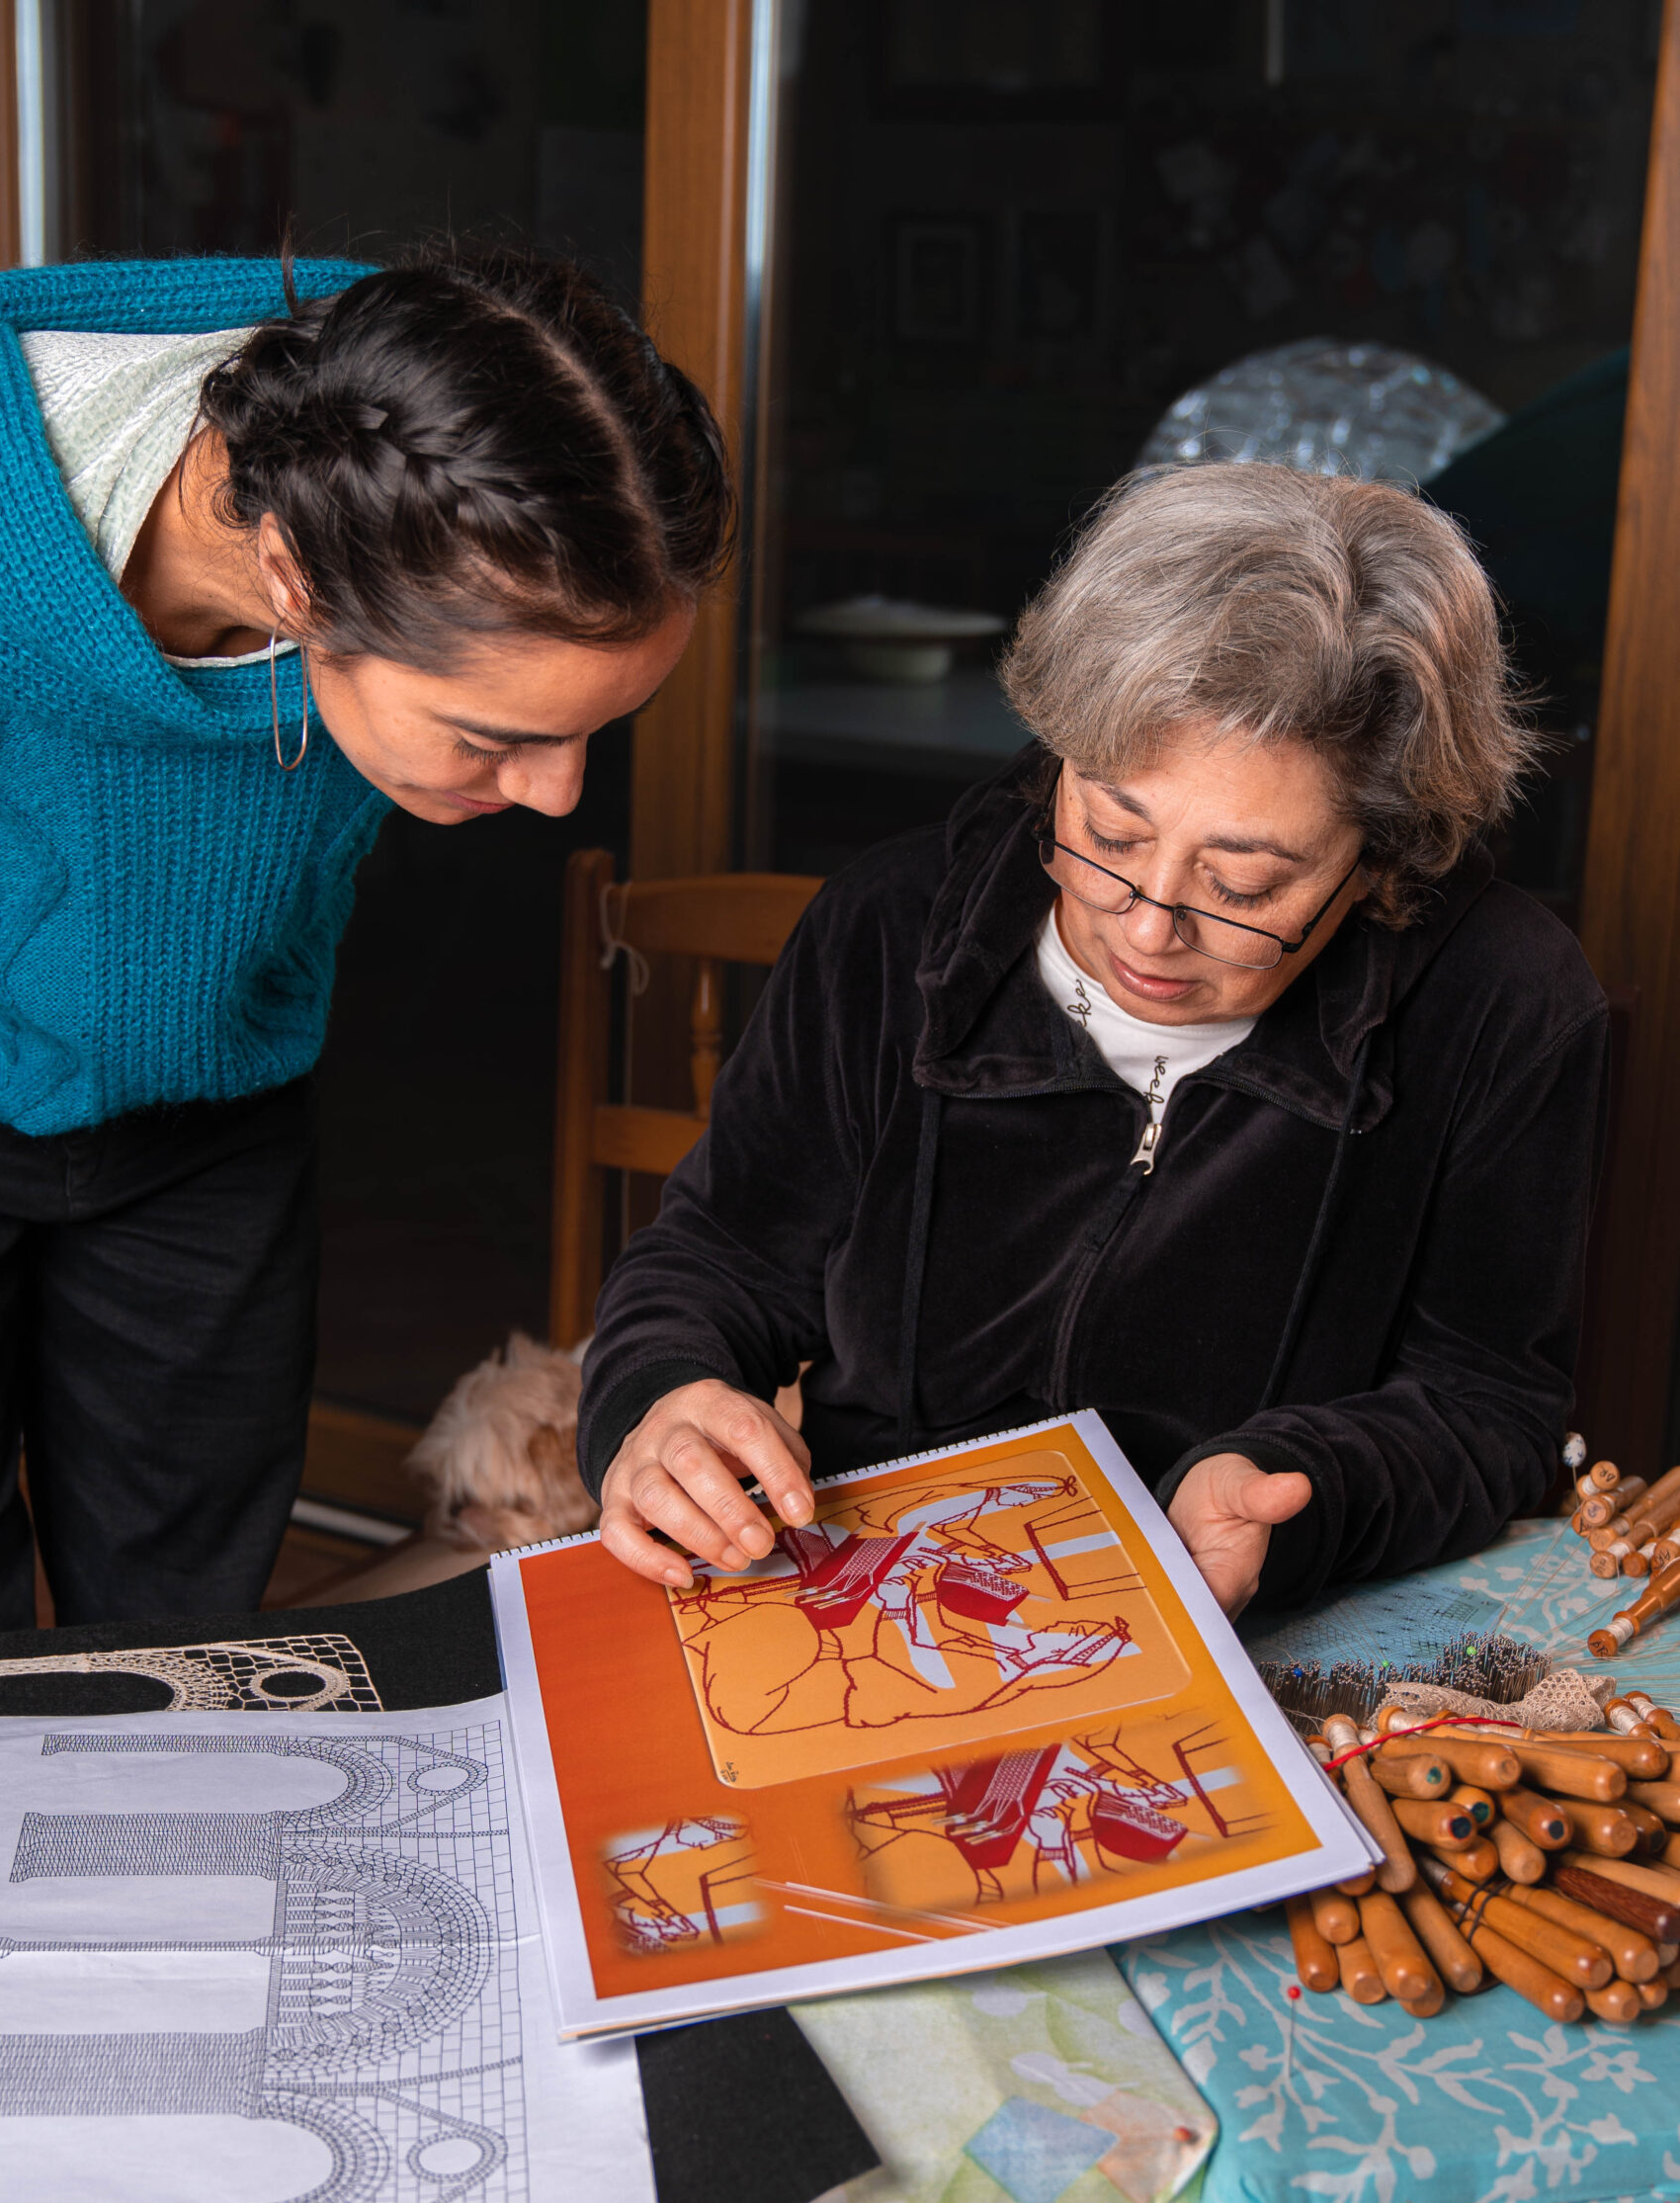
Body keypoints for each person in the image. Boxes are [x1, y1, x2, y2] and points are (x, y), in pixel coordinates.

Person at [579, 463, 1608, 1618]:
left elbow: (1488, 1403)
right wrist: (663, 1394)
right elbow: (722, 1256)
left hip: (1239, 1617)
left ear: (1379, 859)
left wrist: (1298, 1490)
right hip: (871, 1586)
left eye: (1244, 882)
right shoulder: (892, 926)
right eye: (1111, 831)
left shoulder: (1501, 1003)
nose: (1151, 924)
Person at [0, 245, 730, 1628]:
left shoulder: (415, 416)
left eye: (588, 734)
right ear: (290, 573)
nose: (557, 796)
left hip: (214, 1101)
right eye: (498, 739)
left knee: (183, 1627)